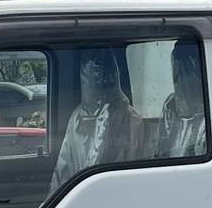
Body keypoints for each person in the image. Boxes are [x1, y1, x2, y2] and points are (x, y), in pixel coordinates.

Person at [51, 50, 145, 189]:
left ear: (114, 77)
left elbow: (133, 177)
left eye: (104, 79)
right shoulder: (78, 117)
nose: (100, 83)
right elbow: (63, 170)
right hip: (77, 196)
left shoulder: (131, 120)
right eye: (92, 79)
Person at [155, 39, 207, 159]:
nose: (179, 80)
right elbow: (161, 150)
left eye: (184, 73)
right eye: (177, 74)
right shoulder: (170, 106)